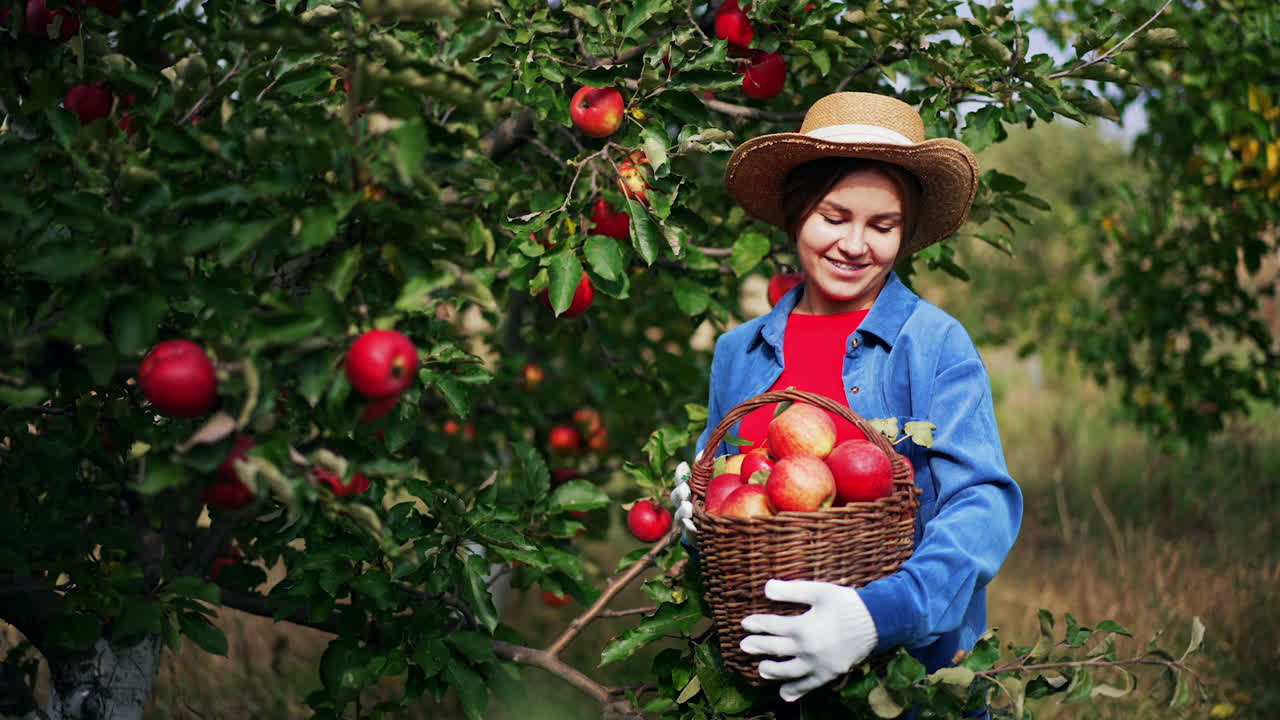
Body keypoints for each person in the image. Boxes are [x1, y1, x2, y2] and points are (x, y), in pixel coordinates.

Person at [669, 92, 1024, 705]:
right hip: (770, 671)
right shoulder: (739, 353)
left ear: (905, 234)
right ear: (797, 215)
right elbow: (738, 488)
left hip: (912, 682)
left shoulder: (933, 344)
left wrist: (877, 615)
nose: (855, 245)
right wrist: (699, 517)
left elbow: (981, 503)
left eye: (882, 226)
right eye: (834, 217)